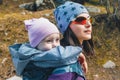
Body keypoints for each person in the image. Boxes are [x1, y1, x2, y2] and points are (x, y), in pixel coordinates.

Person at [9, 17, 87, 80]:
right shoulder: (33, 58)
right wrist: (75, 54)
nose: (55, 45)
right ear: (36, 45)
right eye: (49, 41)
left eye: (57, 40)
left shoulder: (64, 65)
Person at [50, 1, 95, 80]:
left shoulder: (72, 56)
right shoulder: (65, 65)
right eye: (81, 20)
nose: (88, 24)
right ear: (66, 26)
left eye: (90, 19)